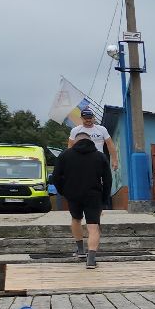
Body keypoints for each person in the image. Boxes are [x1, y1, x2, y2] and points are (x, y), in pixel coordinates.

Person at [53, 108, 113, 269]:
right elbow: (107, 179)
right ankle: (91, 259)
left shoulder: (65, 155)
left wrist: (63, 191)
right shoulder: (100, 156)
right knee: (93, 226)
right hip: (94, 195)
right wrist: (104, 199)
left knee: (76, 220)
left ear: (76, 140)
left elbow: (56, 176)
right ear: (91, 141)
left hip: (73, 194)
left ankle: (80, 250)